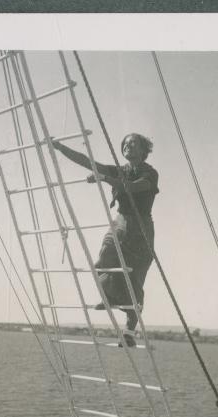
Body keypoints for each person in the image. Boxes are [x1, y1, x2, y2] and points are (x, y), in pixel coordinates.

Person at [52, 133, 158, 347]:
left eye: (133, 143)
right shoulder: (121, 170)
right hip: (120, 222)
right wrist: (60, 148)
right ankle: (110, 297)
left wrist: (105, 179)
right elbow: (88, 162)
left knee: (134, 278)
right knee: (104, 260)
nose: (128, 145)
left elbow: (133, 187)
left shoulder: (150, 173)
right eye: (125, 143)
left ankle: (129, 330)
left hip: (141, 228)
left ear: (144, 150)